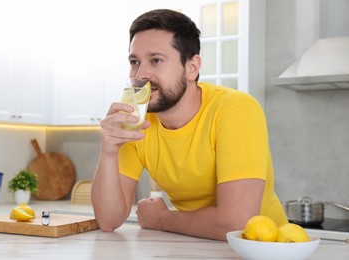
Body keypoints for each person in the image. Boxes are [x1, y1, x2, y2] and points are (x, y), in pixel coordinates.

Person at [91, 9, 288, 241]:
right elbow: (108, 220)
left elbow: (236, 223)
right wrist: (109, 152)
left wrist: (161, 219)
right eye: (135, 62)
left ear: (191, 68)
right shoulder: (137, 122)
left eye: (156, 60)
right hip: (194, 245)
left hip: (264, 249)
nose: (141, 74)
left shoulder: (235, 109)